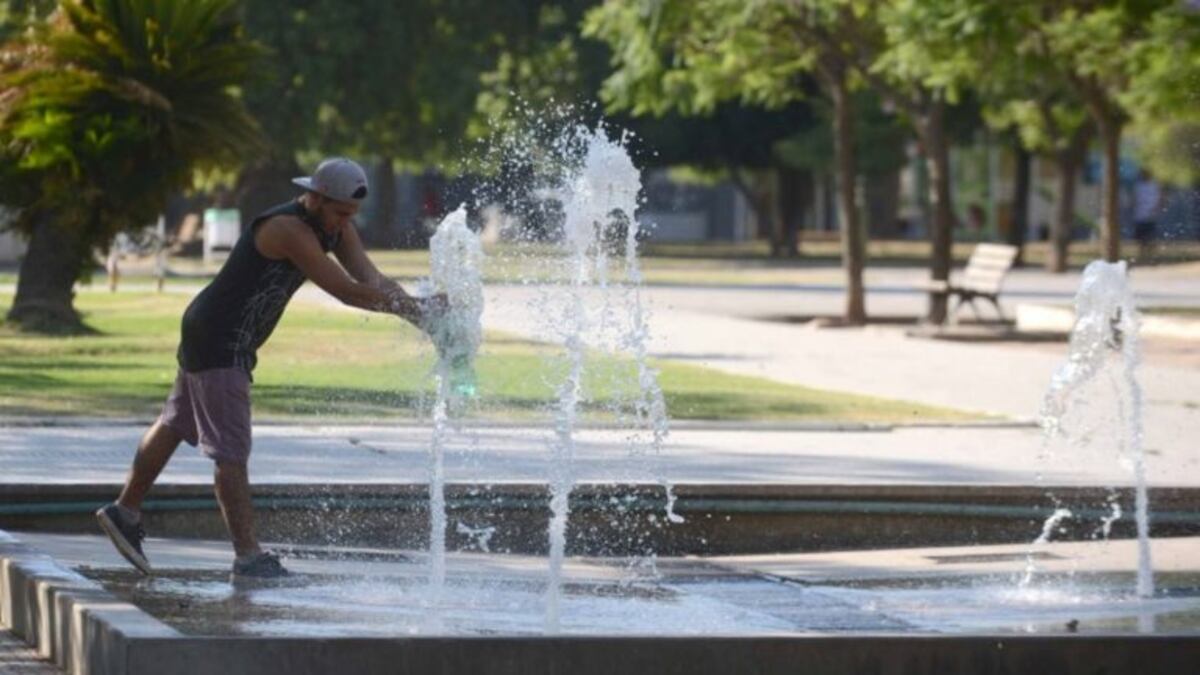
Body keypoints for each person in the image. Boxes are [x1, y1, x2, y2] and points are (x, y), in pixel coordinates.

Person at [95, 158, 445, 579]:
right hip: (220, 335)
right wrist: (415, 310)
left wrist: (423, 316)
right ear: (315, 197)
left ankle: (124, 512)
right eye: (338, 213)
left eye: (350, 216)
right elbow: (346, 291)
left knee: (176, 422)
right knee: (231, 451)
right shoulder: (287, 229)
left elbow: (373, 278)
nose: (343, 224)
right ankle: (248, 557)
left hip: (219, 332)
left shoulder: (336, 225)